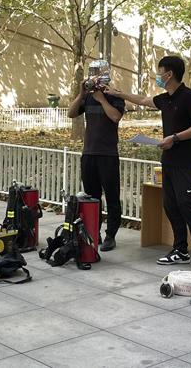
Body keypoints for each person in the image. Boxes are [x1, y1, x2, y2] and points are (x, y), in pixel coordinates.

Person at [106, 55, 191, 272]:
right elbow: (144, 100)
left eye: (159, 72)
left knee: (188, 206)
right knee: (171, 205)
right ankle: (180, 249)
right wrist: (119, 94)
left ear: (169, 74)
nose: (157, 76)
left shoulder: (189, 97)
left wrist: (175, 138)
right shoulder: (165, 98)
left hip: (186, 163)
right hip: (168, 161)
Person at [68, 60, 125, 251]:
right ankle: (94, 232)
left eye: (98, 73)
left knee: (112, 197)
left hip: (108, 155)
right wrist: (81, 94)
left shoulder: (114, 95)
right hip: (89, 153)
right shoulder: (87, 97)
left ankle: (111, 236)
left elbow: (115, 117)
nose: (94, 76)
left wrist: (102, 99)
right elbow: (71, 113)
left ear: (106, 74)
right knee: (92, 198)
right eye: (92, 72)